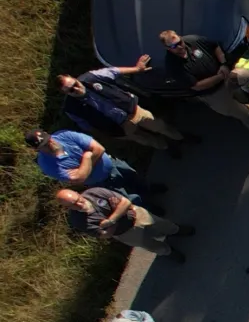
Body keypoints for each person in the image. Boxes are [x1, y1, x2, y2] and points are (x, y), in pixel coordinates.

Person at [58, 57, 194, 157]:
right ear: (65, 93)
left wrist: (137, 69)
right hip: (119, 128)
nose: (76, 88)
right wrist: (106, 133)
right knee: (145, 140)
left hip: (133, 111)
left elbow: (113, 71)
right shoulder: (71, 108)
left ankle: (180, 137)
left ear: (74, 78)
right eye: (70, 90)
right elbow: (86, 126)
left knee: (159, 125)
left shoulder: (90, 78)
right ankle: (167, 147)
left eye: (75, 83)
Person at [159, 29, 249, 135]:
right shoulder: (173, 66)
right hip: (213, 94)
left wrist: (223, 64)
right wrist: (220, 76)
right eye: (174, 46)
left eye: (179, 42)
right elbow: (197, 86)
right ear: (167, 48)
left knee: (242, 99)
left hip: (226, 79)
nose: (180, 47)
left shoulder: (192, 40)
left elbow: (214, 46)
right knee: (243, 113)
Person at [55, 187, 193, 260]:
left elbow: (126, 202)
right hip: (125, 234)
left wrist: (110, 221)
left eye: (78, 199)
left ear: (77, 193)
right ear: (68, 207)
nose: (79, 203)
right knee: (150, 244)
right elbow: (104, 235)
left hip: (136, 215)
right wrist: (118, 211)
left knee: (161, 224)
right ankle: (168, 251)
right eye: (74, 204)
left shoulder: (95, 192)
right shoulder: (78, 220)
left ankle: (176, 230)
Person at [25, 129, 157, 195]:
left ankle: (151, 191)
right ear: (37, 149)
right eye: (44, 145)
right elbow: (78, 178)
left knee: (135, 178)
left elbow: (99, 148)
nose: (50, 143)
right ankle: (151, 208)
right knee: (126, 196)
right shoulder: (47, 165)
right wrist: (87, 157)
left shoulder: (65, 135)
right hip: (101, 182)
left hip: (114, 164)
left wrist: (84, 168)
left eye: (48, 139)